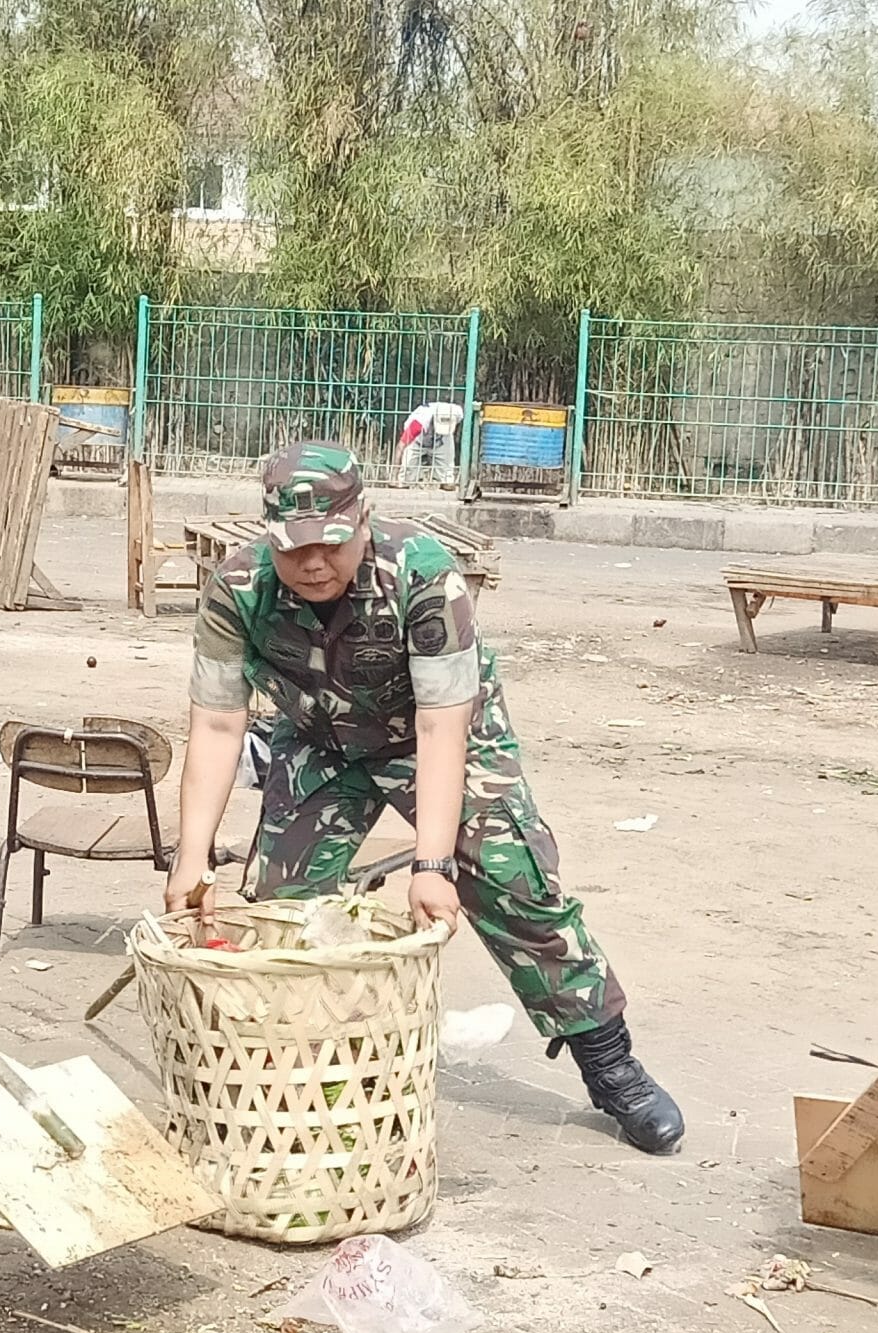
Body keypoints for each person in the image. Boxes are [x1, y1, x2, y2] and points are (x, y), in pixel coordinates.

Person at [167, 442, 686, 1155]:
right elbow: (220, 722)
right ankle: (306, 1075)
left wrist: (435, 865)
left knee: (510, 879)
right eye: (294, 550)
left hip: (436, 732)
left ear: (363, 522)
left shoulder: (423, 575)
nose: (313, 564)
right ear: (269, 537)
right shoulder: (238, 588)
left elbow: (444, 727)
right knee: (283, 904)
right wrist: (192, 858)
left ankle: (610, 1066)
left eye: (331, 544)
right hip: (321, 740)